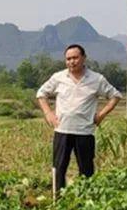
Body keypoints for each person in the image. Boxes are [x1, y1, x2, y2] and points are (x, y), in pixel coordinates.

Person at [36, 44, 122, 192]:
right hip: (62, 129)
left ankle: (86, 199)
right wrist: (48, 113)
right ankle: (58, 200)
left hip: (85, 131)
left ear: (83, 58)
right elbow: (41, 94)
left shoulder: (96, 79)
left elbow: (115, 96)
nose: (71, 61)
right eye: (68, 59)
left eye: (75, 58)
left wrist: (101, 115)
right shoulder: (58, 77)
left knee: (86, 169)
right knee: (59, 167)